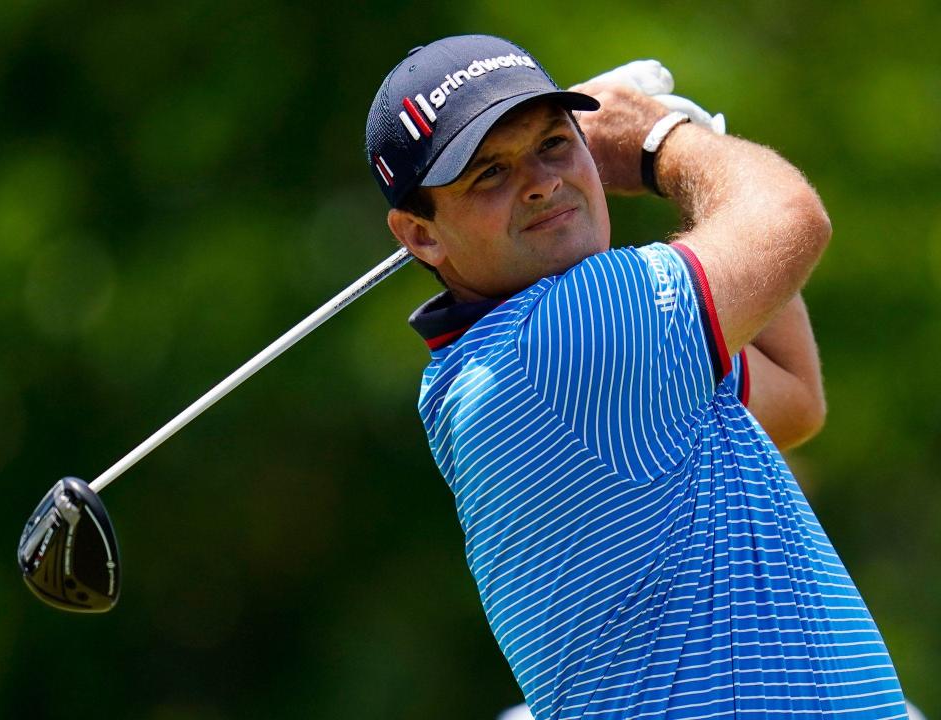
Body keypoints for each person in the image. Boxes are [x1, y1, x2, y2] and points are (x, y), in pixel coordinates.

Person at [366, 34, 907, 718]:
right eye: (489, 175)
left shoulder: (550, 361)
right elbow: (791, 218)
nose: (540, 182)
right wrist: (661, 143)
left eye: (554, 144)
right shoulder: (570, 337)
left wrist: (695, 154)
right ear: (420, 235)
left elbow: (793, 399)